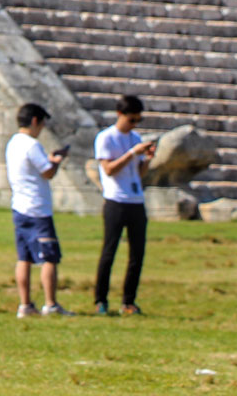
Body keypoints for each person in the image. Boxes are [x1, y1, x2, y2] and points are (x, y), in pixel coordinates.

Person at [6, 102, 73, 317]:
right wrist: (56, 161)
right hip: (37, 209)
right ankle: (51, 304)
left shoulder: (13, 143)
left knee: (24, 257)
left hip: (19, 207)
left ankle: (25, 305)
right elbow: (47, 173)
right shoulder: (31, 145)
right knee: (49, 257)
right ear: (35, 121)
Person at [93, 93, 156, 316]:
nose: (134, 125)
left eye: (137, 121)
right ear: (120, 114)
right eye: (131, 120)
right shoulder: (106, 138)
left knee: (137, 255)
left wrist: (147, 158)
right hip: (115, 201)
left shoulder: (135, 138)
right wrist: (131, 153)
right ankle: (100, 300)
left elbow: (139, 174)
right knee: (109, 252)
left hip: (136, 200)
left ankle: (129, 301)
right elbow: (108, 170)